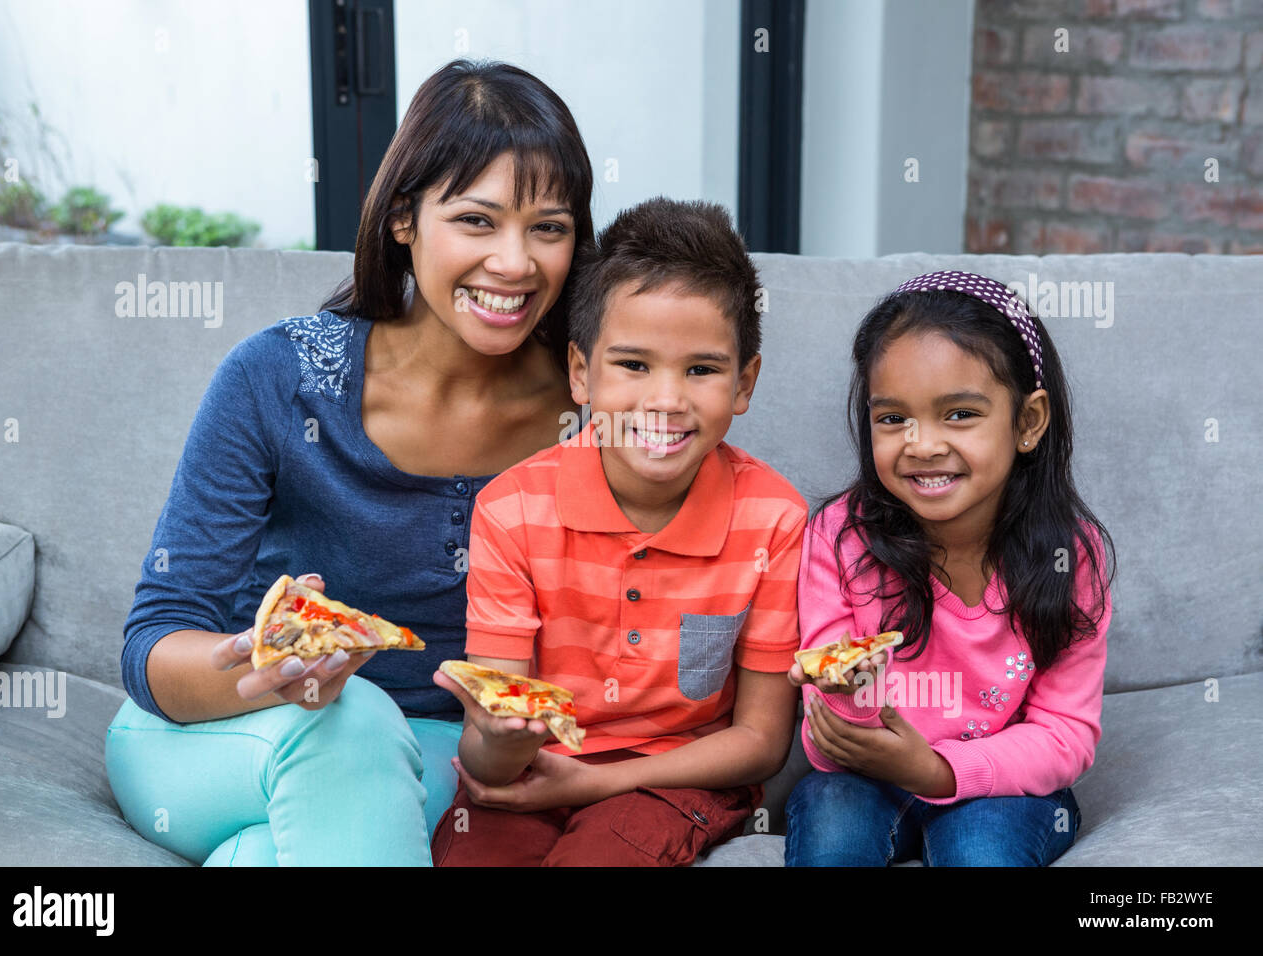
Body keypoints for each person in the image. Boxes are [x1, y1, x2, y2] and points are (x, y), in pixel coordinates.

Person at [104, 59, 594, 866]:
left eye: (548, 226)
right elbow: (154, 641)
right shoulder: (278, 376)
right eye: (477, 220)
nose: (516, 263)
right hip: (215, 733)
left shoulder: (591, 413)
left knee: (274, 850)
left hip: (433, 758)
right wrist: (253, 669)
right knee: (351, 721)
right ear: (403, 219)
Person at [429, 198, 807, 867]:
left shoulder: (773, 520)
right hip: (535, 773)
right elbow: (484, 753)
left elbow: (761, 739)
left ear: (744, 382)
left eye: (701, 369)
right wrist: (504, 735)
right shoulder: (511, 510)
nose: (665, 400)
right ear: (582, 373)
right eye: (633, 365)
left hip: (677, 777)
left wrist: (602, 779)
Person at [783, 270, 1115, 867]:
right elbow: (826, 747)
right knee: (830, 828)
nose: (923, 444)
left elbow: (1065, 733)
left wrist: (938, 771)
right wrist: (848, 694)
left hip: (999, 782)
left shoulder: (1071, 556)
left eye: (959, 414)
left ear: (1028, 422)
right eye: (892, 419)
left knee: (980, 852)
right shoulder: (840, 538)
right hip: (864, 776)